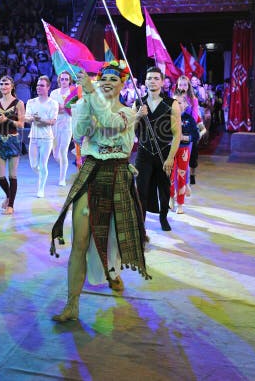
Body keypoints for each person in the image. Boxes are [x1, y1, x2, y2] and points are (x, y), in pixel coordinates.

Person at [51, 61, 149, 323]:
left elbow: (109, 122)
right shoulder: (88, 102)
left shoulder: (128, 113)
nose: (107, 82)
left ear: (123, 85)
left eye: (113, 79)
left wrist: (91, 93)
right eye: (103, 78)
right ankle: (72, 304)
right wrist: (85, 99)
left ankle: (113, 273)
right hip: (91, 171)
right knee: (79, 242)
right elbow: (79, 132)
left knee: (114, 238)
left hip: (118, 174)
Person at [134, 67, 182, 231]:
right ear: (145, 82)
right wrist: (138, 115)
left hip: (164, 153)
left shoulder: (171, 104)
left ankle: (163, 218)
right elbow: (130, 129)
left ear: (162, 82)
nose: (152, 81)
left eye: (156, 78)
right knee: (141, 189)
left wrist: (170, 158)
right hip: (143, 153)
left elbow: (177, 134)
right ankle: (141, 222)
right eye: (149, 78)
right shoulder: (138, 103)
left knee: (164, 189)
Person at [0, 75, 25, 215]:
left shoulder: (19, 103)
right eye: (1, 84)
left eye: (6, 84)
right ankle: (9, 196)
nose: (4, 86)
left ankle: (11, 206)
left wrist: (7, 120)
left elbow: (21, 124)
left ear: (12, 86)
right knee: (0, 177)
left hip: (13, 141)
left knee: (12, 175)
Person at [170, 76, 201, 214]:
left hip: (185, 142)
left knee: (183, 168)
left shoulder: (193, 101)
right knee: (171, 172)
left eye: (185, 84)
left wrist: (185, 134)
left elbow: (194, 121)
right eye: (180, 84)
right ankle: (171, 197)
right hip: (172, 144)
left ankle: (184, 189)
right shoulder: (172, 102)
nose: (182, 87)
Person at [25, 75, 58, 198]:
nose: (39, 87)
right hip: (33, 137)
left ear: (48, 87)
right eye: (38, 85)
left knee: (43, 165)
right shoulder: (31, 102)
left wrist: (41, 119)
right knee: (34, 165)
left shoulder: (53, 103)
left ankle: (41, 189)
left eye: (42, 85)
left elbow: (52, 121)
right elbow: (26, 118)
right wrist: (33, 118)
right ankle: (42, 176)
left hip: (46, 138)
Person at [50, 71, 75, 186]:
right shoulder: (54, 93)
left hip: (67, 124)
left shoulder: (73, 92)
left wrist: (64, 107)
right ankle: (64, 165)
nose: (64, 81)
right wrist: (61, 107)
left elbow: (73, 108)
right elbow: (52, 108)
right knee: (56, 155)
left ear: (69, 81)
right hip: (55, 124)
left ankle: (62, 179)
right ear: (59, 80)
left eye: (66, 79)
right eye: (62, 79)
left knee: (63, 151)